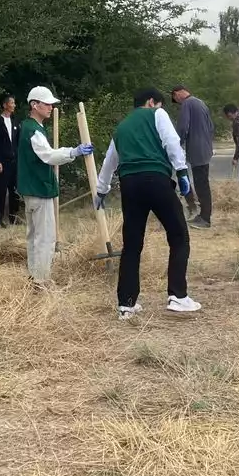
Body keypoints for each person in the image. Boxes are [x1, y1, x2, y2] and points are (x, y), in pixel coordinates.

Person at [95, 88, 200, 317]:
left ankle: (126, 304)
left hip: (129, 184)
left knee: (132, 244)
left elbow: (110, 161)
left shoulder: (121, 127)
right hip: (155, 178)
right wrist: (181, 171)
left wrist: (101, 190)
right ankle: (178, 296)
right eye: (159, 104)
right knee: (178, 235)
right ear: (152, 102)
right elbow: (172, 141)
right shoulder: (156, 114)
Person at [15, 86, 94, 285]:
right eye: (47, 103)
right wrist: (73, 152)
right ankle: (41, 280)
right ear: (34, 105)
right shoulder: (32, 130)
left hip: (34, 189)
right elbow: (49, 156)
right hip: (39, 189)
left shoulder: (31, 127)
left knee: (34, 236)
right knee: (45, 238)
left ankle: (34, 276)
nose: (50, 107)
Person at [171, 85, 215, 229]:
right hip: (205, 148)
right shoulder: (200, 102)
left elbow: (183, 127)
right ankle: (203, 215)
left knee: (201, 184)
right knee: (203, 183)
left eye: (175, 99)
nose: (178, 103)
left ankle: (205, 219)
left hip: (197, 150)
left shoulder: (187, 104)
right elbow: (211, 126)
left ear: (177, 94)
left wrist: (177, 145)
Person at [0, 92, 21, 227]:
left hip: (15, 160)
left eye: (14, 103)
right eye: (11, 102)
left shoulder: (15, 121)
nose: (14, 105)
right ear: (4, 105)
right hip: (3, 162)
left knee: (14, 190)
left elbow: (17, 141)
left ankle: (14, 217)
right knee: (1, 191)